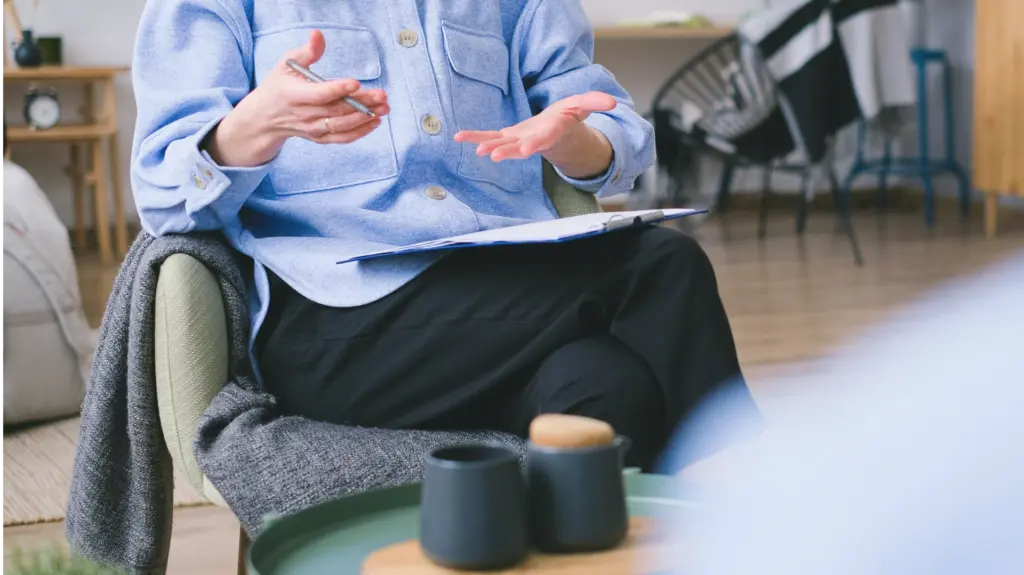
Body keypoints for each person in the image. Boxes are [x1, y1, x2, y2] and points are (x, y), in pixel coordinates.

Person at [130, 0, 759, 471]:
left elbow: (617, 134)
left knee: (609, 387)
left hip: (512, 307)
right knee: (664, 265)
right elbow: (161, 193)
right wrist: (250, 129)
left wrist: (573, 140)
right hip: (337, 327)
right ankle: (771, 521)